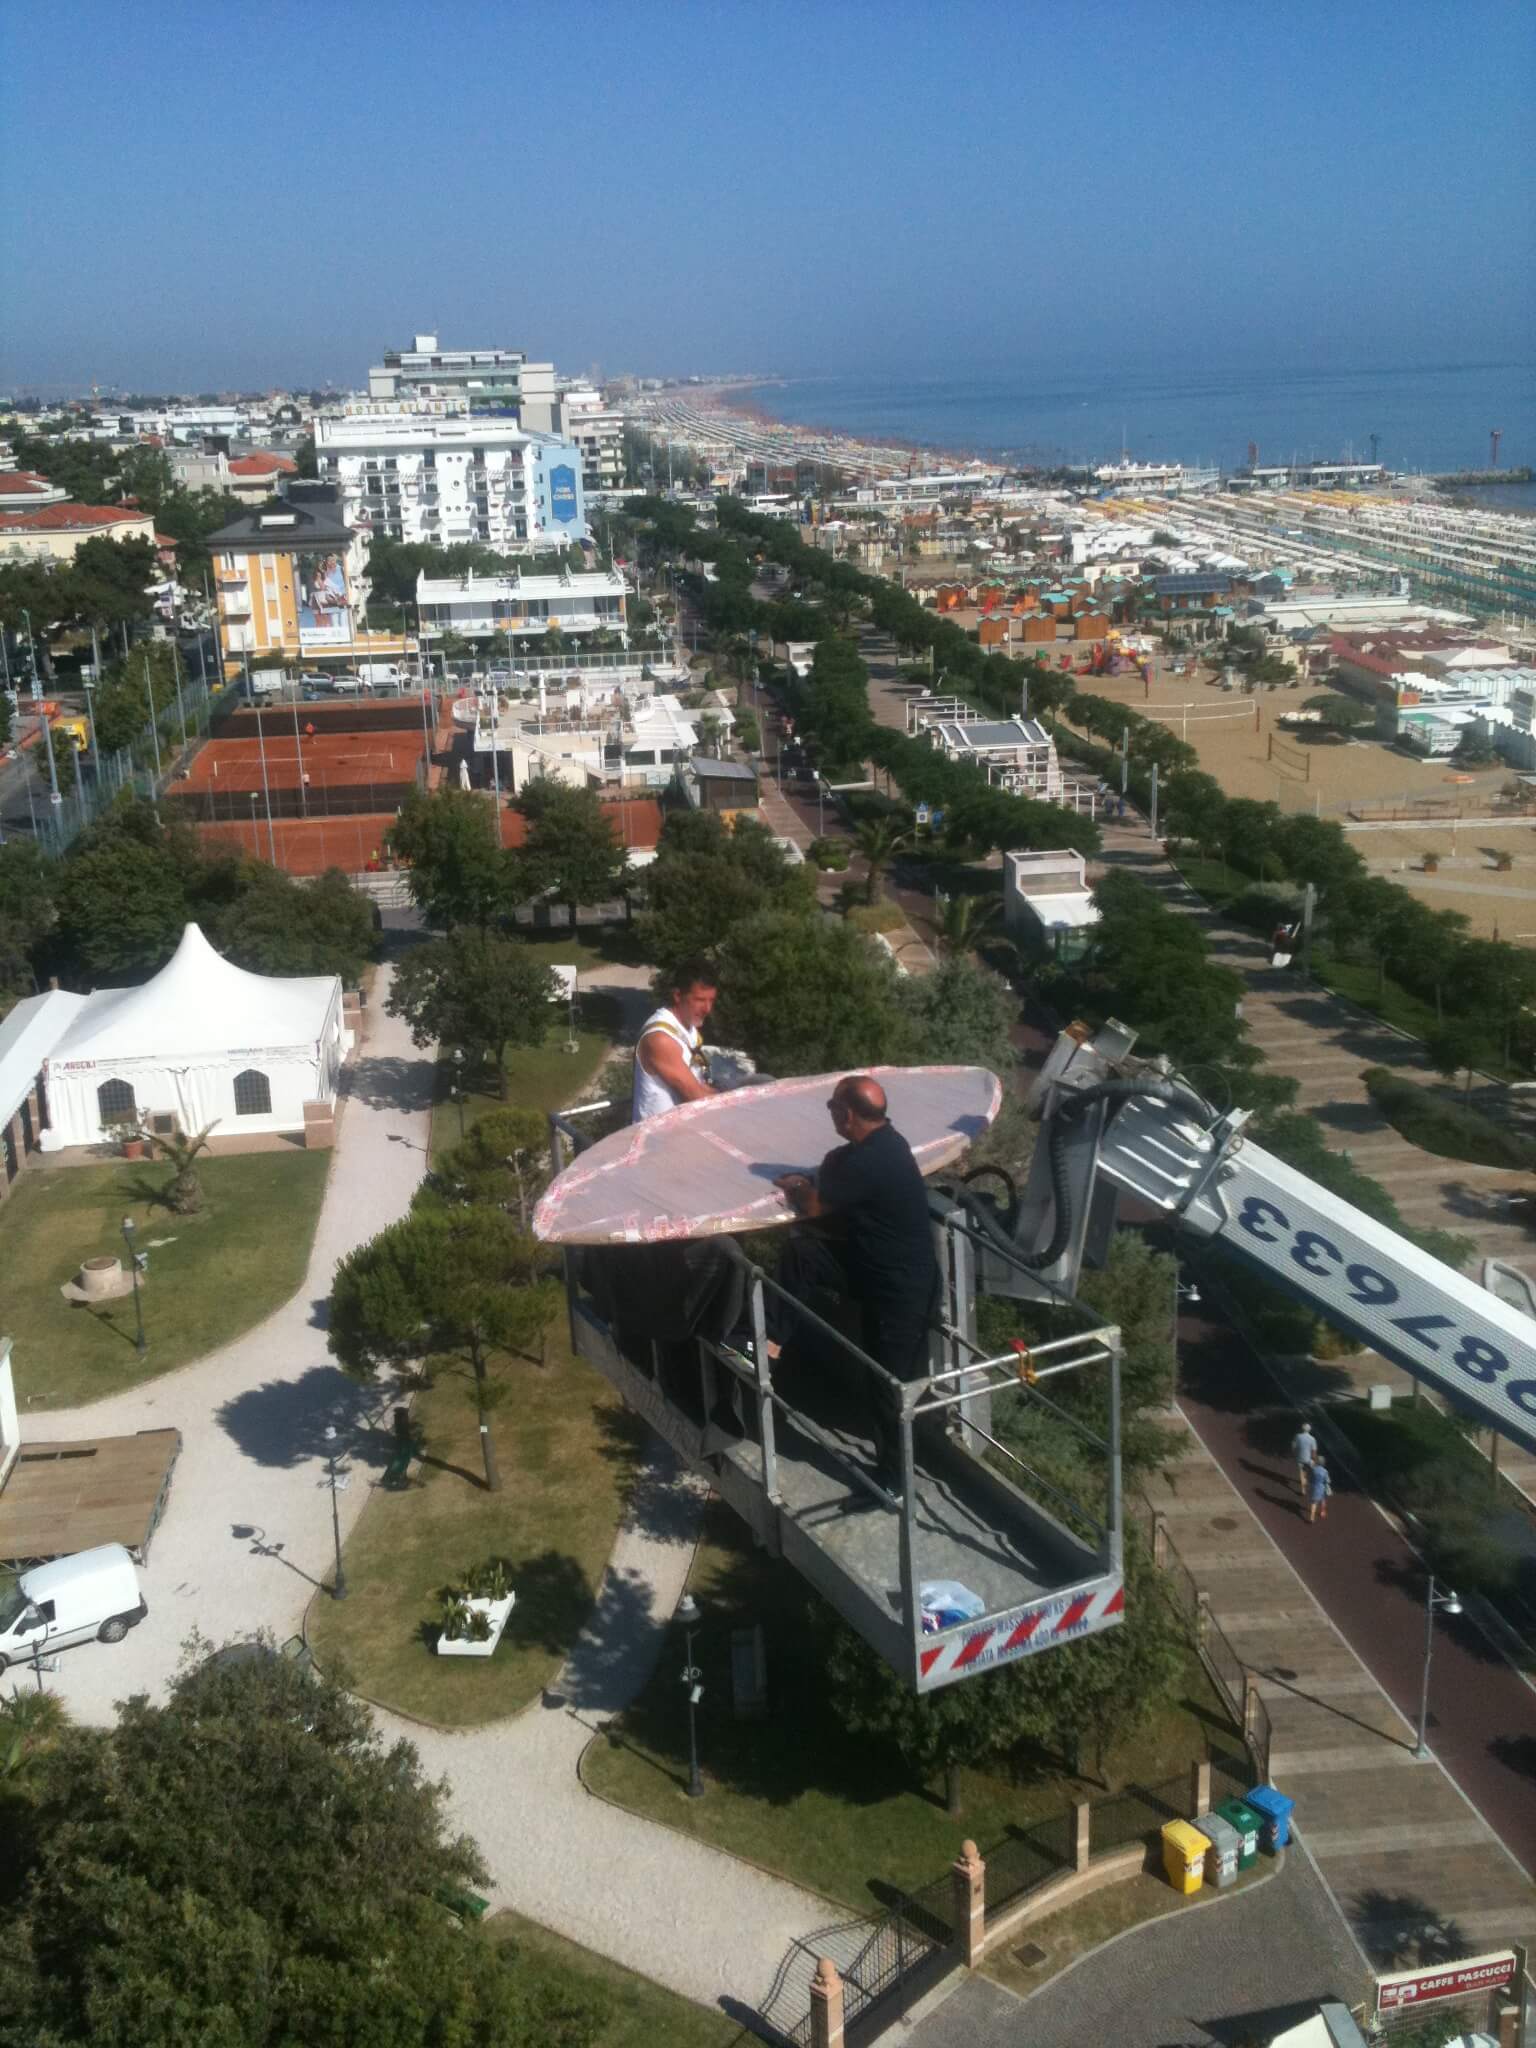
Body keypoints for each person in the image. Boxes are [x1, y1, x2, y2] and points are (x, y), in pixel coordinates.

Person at [774, 1075, 942, 1486]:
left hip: (899, 1291)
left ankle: (893, 1482)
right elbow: (837, 1163)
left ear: (847, 1113)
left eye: (832, 1107)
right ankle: (764, 1344)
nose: (830, 1113)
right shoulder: (886, 1142)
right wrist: (827, 1171)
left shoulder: (870, 1161)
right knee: (804, 1254)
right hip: (874, 1268)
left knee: (887, 1386)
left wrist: (798, 1186)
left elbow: (814, 1204)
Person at [632, 959, 720, 1122]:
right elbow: (698, 1097)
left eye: (711, 1000)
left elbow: (699, 1084)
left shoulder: (688, 1029)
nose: (707, 1009)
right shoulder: (660, 1039)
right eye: (700, 1000)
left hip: (679, 1134)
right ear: (678, 996)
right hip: (656, 1142)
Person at [1291, 1418, 1318, 1498]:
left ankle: (1303, 1490)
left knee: (1302, 1473)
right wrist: (1314, 1459)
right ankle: (1311, 1483)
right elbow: (1314, 1451)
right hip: (1308, 1459)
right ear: (1309, 1430)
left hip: (1300, 1458)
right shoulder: (1312, 1439)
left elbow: (1294, 1446)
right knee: (1309, 1472)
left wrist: (1295, 1453)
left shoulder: (1298, 1436)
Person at [1305, 1454, 1332, 1524]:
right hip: (1322, 1489)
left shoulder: (1313, 1470)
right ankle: (1322, 1512)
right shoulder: (1325, 1471)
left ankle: (1312, 1518)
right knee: (1323, 1500)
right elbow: (1328, 1481)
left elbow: (1309, 1478)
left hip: (1314, 1488)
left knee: (1314, 1503)